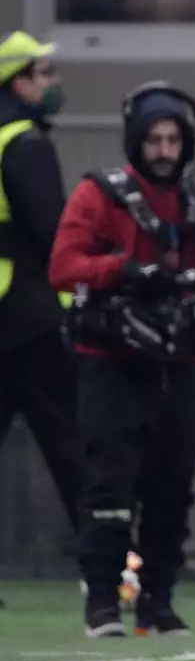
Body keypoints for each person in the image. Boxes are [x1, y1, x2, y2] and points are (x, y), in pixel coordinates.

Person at [50, 81, 195, 638]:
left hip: (181, 366)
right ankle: (101, 601)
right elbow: (64, 266)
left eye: (173, 139)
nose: (164, 150)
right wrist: (124, 271)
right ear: (135, 141)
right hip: (113, 363)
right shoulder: (99, 196)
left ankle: (158, 602)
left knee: (171, 490)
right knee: (109, 487)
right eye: (154, 139)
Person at [0, 31, 86, 608]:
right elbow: (55, 233)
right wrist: (76, 304)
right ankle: (108, 571)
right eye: (45, 73)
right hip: (28, 316)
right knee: (70, 441)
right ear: (20, 81)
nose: (53, 84)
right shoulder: (25, 144)